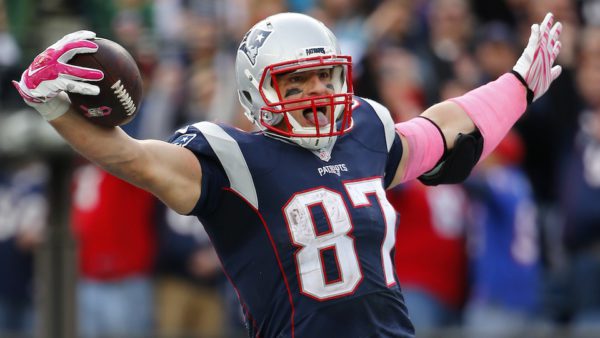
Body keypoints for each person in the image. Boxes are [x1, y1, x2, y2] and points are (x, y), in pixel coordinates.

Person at [12, 11, 562, 337]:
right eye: (295, 84)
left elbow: (443, 128)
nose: (316, 94)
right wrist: (54, 108)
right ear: (257, 94)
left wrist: (517, 85)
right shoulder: (235, 157)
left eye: (324, 77)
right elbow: (132, 157)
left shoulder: (368, 130)